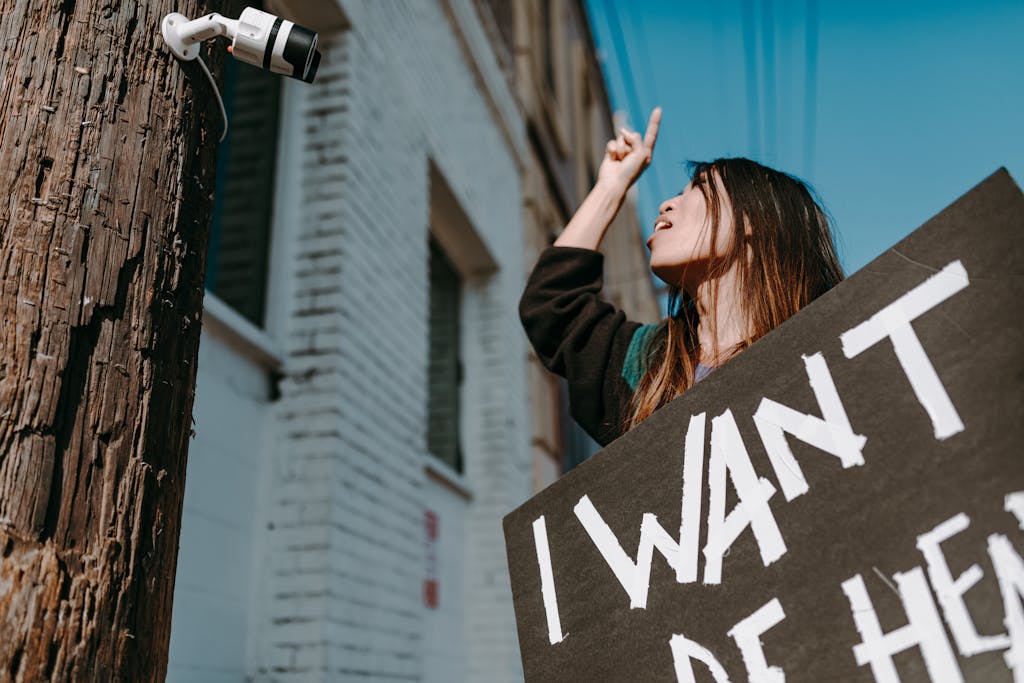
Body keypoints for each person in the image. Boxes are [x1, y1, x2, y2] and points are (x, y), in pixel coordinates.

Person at [519, 107, 844, 447]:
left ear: (756, 222)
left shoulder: (827, 354)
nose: (666, 204)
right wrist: (611, 187)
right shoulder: (650, 366)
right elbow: (552, 307)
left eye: (699, 188)